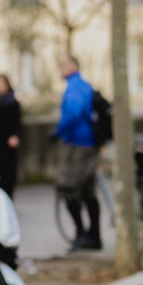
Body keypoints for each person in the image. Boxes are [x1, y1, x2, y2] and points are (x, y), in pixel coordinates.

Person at [54, 55, 102, 251]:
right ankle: (94, 236)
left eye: (63, 64)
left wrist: (57, 132)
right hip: (88, 143)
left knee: (67, 187)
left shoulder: (74, 86)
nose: (61, 68)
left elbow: (73, 113)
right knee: (87, 190)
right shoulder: (84, 84)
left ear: (74, 65)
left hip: (77, 144)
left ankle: (82, 234)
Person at [0, 75, 21, 199]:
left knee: (10, 171)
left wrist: (15, 136)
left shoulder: (13, 102)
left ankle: (8, 198)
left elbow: (18, 121)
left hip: (9, 142)